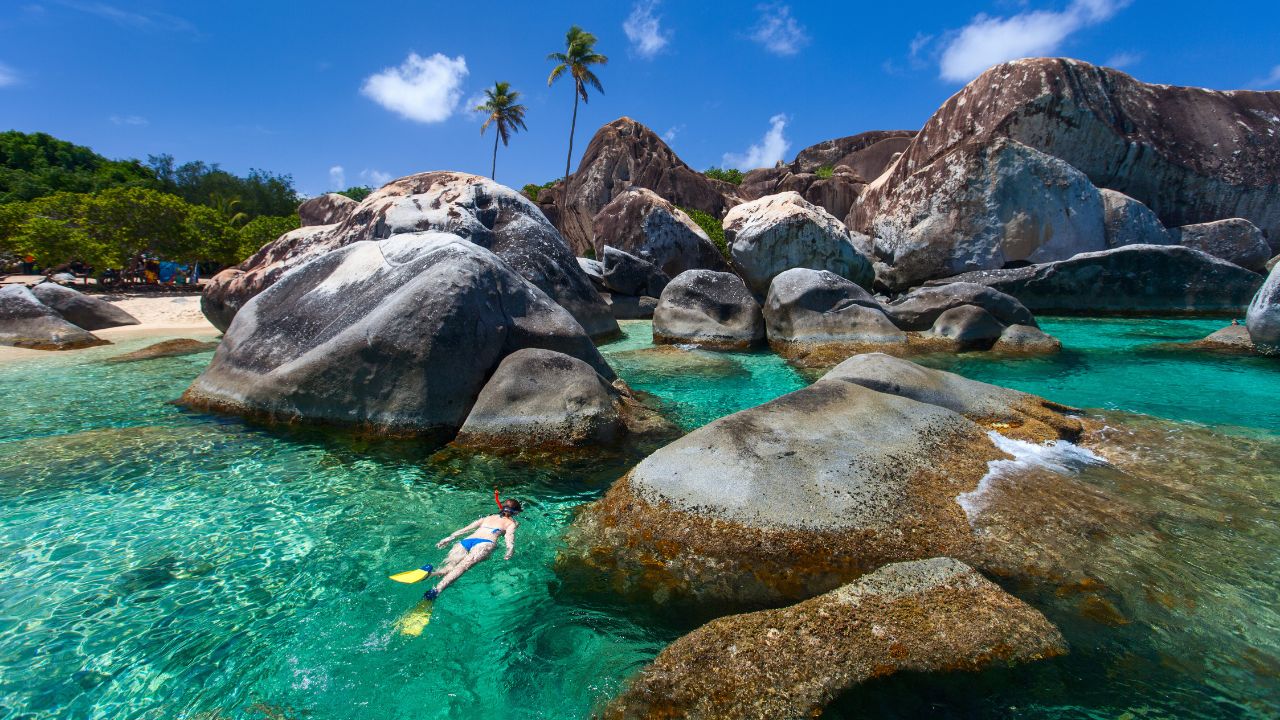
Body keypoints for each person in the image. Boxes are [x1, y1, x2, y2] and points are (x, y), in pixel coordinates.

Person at [419, 497, 521, 600]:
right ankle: (437, 590)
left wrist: (450, 537)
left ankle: (430, 574)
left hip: (466, 541)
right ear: (516, 513)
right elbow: (509, 537)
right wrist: (510, 550)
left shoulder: (487, 518)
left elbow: (467, 528)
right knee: (462, 567)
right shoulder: (512, 523)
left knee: (449, 567)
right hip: (485, 543)